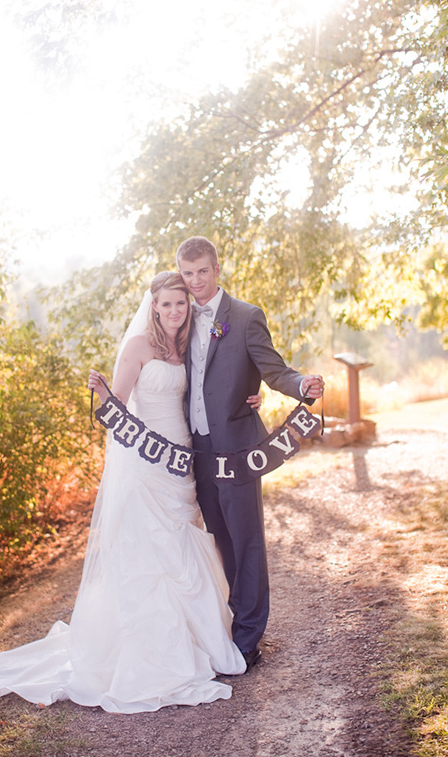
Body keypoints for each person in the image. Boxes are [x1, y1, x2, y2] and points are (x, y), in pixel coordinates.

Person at [0, 271, 265, 714]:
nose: (174, 310)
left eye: (181, 303)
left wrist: (253, 395)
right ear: (153, 306)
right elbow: (116, 411)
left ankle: (199, 639)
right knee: (148, 553)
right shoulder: (137, 347)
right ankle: (146, 652)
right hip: (146, 465)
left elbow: (217, 383)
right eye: (166, 303)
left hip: (183, 462)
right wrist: (102, 394)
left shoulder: (187, 346)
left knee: (181, 543)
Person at [176, 236, 325, 671]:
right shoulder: (179, 318)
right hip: (198, 449)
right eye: (188, 274)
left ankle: (247, 637)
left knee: (246, 541)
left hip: (239, 446)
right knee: (220, 541)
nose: (196, 281)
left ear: (217, 269)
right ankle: (227, 622)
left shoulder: (245, 317)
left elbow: (274, 370)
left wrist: (302, 386)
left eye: (203, 271)